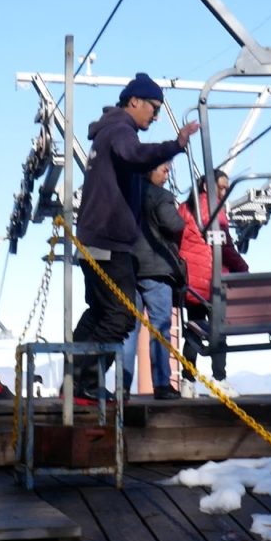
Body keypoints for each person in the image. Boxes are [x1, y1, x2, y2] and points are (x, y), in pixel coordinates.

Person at [71, 73, 199, 401]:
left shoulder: (107, 132)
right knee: (122, 313)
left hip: (96, 238)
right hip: (108, 240)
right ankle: (84, 381)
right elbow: (134, 155)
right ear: (134, 102)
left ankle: (76, 380)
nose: (155, 116)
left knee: (100, 311)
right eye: (154, 108)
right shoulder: (120, 131)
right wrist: (175, 145)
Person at [177, 170, 249, 398]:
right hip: (212, 280)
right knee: (219, 330)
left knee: (193, 330)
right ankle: (219, 378)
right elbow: (224, 247)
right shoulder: (215, 209)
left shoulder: (185, 208)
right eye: (222, 187)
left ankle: (187, 381)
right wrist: (243, 269)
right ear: (208, 187)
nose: (225, 191)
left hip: (191, 281)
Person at [121, 161, 186, 400]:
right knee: (160, 326)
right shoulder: (160, 196)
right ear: (151, 170)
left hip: (129, 267)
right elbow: (175, 224)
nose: (167, 175)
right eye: (165, 170)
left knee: (129, 329)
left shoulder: (125, 193)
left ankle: (122, 385)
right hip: (156, 269)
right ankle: (161, 383)